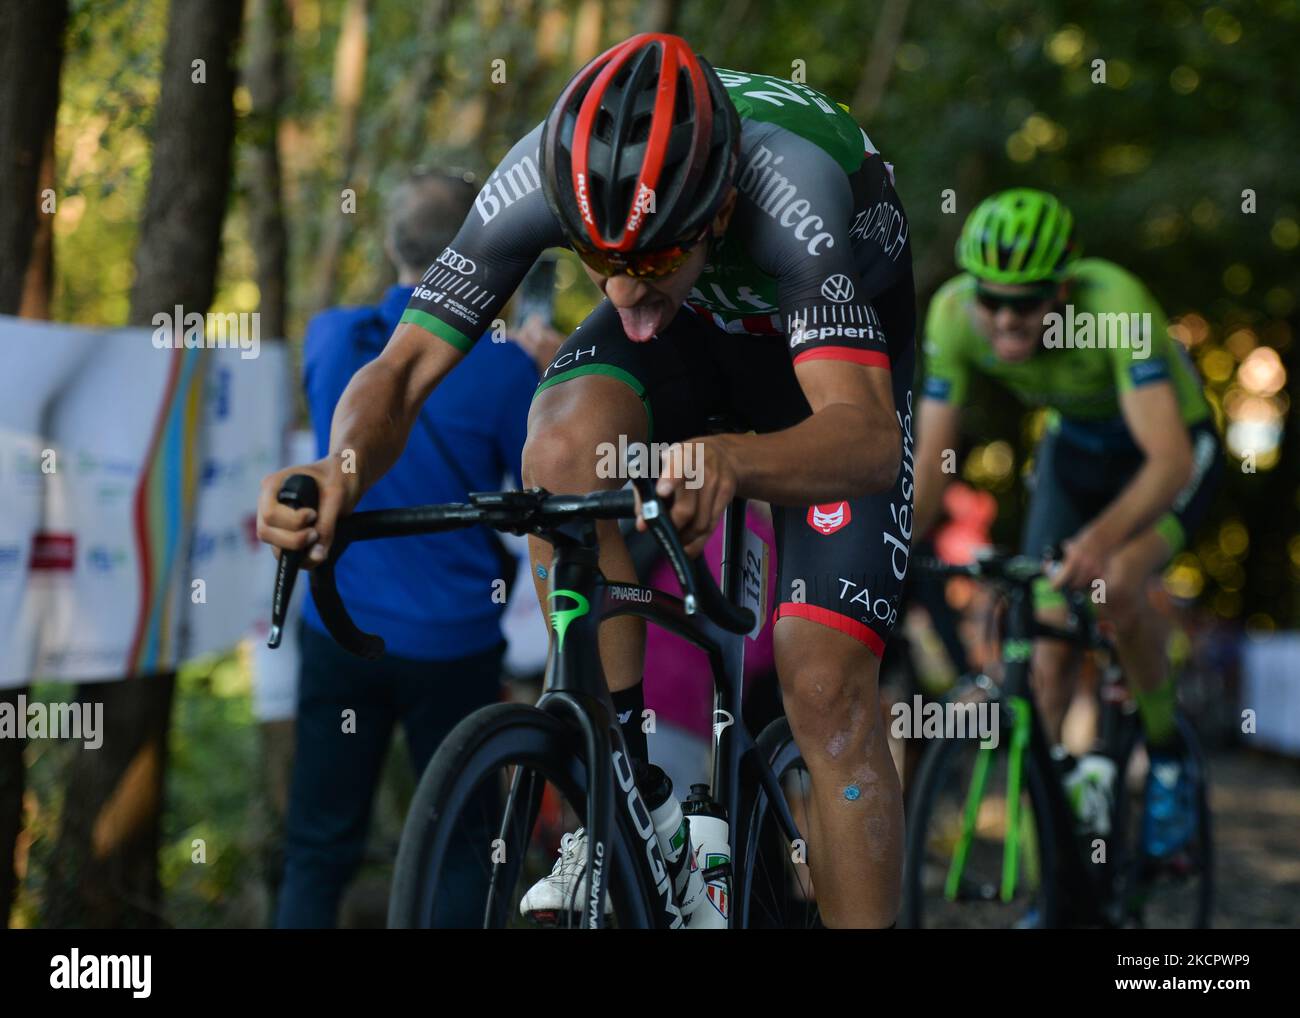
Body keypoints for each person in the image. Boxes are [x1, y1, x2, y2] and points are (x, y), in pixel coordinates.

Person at [259, 33, 915, 929]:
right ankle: (629, 791)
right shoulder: (543, 174)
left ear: (717, 214)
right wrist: (337, 470)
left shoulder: (789, 189)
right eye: (592, 260)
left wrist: (735, 459)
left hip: (824, 366)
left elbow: (868, 439)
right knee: (561, 457)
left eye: (642, 262)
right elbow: (405, 368)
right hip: (689, 335)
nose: (616, 292)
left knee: (822, 682)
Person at [275, 170, 560, 927]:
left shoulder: (332, 335)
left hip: (340, 625)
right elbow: (529, 476)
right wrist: (538, 371)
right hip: (455, 644)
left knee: (316, 850)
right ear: (483, 257)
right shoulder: (504, 369)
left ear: (391, 245)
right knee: (465, 846)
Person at [912, 188, 1222, 862]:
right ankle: (1054, 864)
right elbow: (933, 461)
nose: (1003, 320)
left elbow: (1168, 461)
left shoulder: (1115, 304)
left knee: (1114, 581)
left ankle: (1167, 757)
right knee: (1046, 649)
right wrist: (894, 544)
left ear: (1063, 289)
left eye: (1024, 303)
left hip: (1164, 450)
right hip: (1073, 451)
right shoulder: (952, 315)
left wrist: (1098, 541)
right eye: (988, 299)